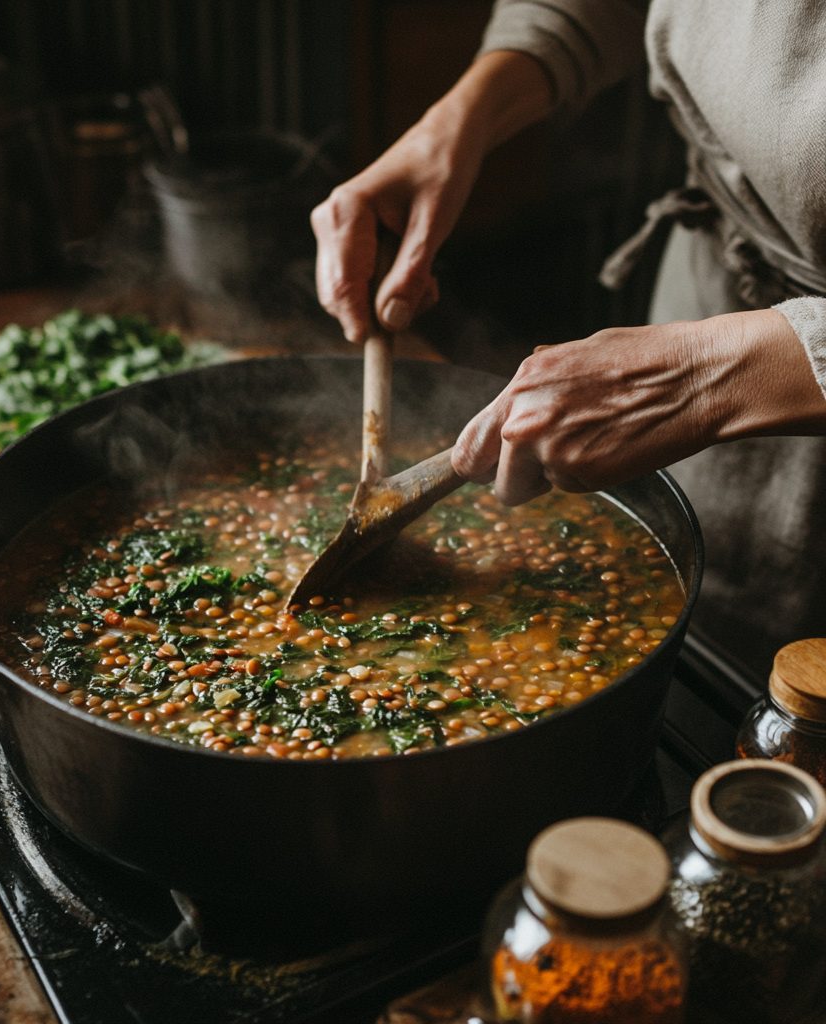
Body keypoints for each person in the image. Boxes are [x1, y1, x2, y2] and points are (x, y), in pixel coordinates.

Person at [310, 0, 826, 677]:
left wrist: (708, 373)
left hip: (752, 359)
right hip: (719, 277)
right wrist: (462, 117)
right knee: (700, 653)